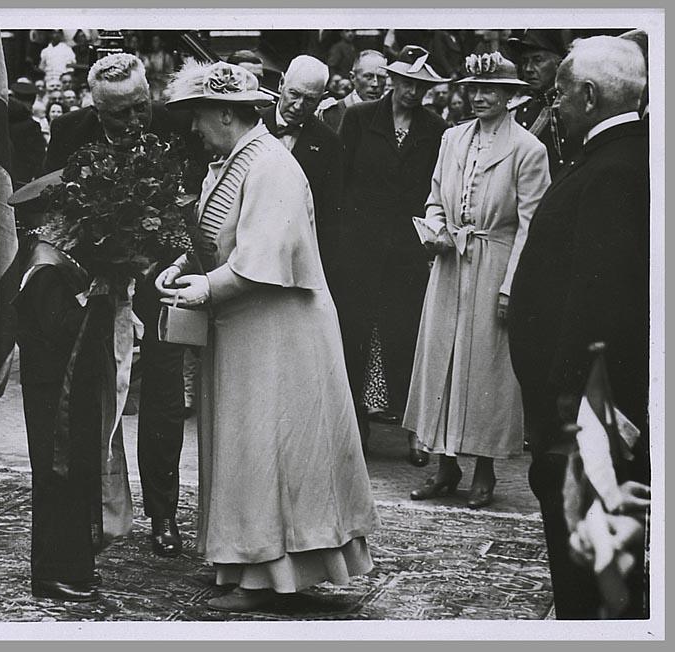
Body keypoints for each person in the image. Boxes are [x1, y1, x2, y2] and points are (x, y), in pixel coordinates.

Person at [156, 60, 378, 613]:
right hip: (246, 329)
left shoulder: (273, 165)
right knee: (241, 449)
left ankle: (265, 577)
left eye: (199, 116)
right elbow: (223, 239)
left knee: (265, 450)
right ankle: (239, 561)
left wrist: (205, 287)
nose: (193, 129)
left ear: (228, 114)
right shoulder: (235, 159)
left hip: (280, 335)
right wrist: (181, 266)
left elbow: (264, 257)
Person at [44, 52, 207, 558]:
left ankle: (163, 515)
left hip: (163, 282)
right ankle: (99, 511)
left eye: (141, 107)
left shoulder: (177, 127)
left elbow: (197, 205)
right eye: (119, 114)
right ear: (96, 110)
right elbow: (53, 207)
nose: (135, 122)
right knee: (95, 399)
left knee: (162, 403)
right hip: (96, 288)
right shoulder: (70, 131)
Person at [508, 36, 649, 619]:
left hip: (585, 408)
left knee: (589, 555)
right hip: (586, 402)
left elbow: (599, 299)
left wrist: (569, 405)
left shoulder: (614, 169)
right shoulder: (615, 157)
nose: (555, 104)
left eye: (561, 93)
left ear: (588, 96)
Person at [403, 52, 551, 508]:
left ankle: (484, 469)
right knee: (440, 361)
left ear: (510, 97)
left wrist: (511, 287)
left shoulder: (528, 149)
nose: (481, 97)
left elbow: (530, 225)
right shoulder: (452, 138)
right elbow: (434, 197)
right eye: (475, 89)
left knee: (486, 366)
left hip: (493, 260)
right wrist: (437, 228)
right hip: (450, 264)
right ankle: (446, 467)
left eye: (492, 90)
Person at [335, 45, 449, 464]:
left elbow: (437, 190)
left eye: (421, 85)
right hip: (360, 249)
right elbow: (340, 184)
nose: (412, 91)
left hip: (406, 251)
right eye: (406, 82)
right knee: (355, 337)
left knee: (407, 339)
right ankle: (355, 430)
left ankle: (414, 434)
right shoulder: (360, 120)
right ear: (392, 80)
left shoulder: (435, 128)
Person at [14, 236, 104, 603]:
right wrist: (98, 302)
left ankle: (74, 566)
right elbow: (62, 326)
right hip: (51, 389)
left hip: (65, 384)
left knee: (73, 475)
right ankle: (52, 573)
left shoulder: (55, 262)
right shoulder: (44, 269)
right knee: (56, 477)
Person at [260, 55, 344, 289]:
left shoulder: (330, 144)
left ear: (322, 100)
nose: (298, 106)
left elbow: (330, 214)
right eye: (294, 94)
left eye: (309, 100)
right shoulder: (251, 125)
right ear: (281, 84)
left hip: (298, 262)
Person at [505, 29, 570, 177]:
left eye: (537, 60)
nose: (528, 69)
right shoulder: (520, 110)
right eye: (525, 62)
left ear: (559, 64)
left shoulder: (573, 108)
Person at [319, 49, 388, 133]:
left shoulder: (390, 115)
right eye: (368, 76)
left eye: (381, 77)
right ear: (353, 77)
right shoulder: (332, 114)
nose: (375, 84)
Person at [141, 34, 176, 101]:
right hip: (151, 89)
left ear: (161, 43)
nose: (154, 44)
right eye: (153, 41)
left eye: (156, 41)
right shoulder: (149, 57)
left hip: (163, 88)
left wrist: (160, 77)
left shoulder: (167, 57)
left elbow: (171, 76)